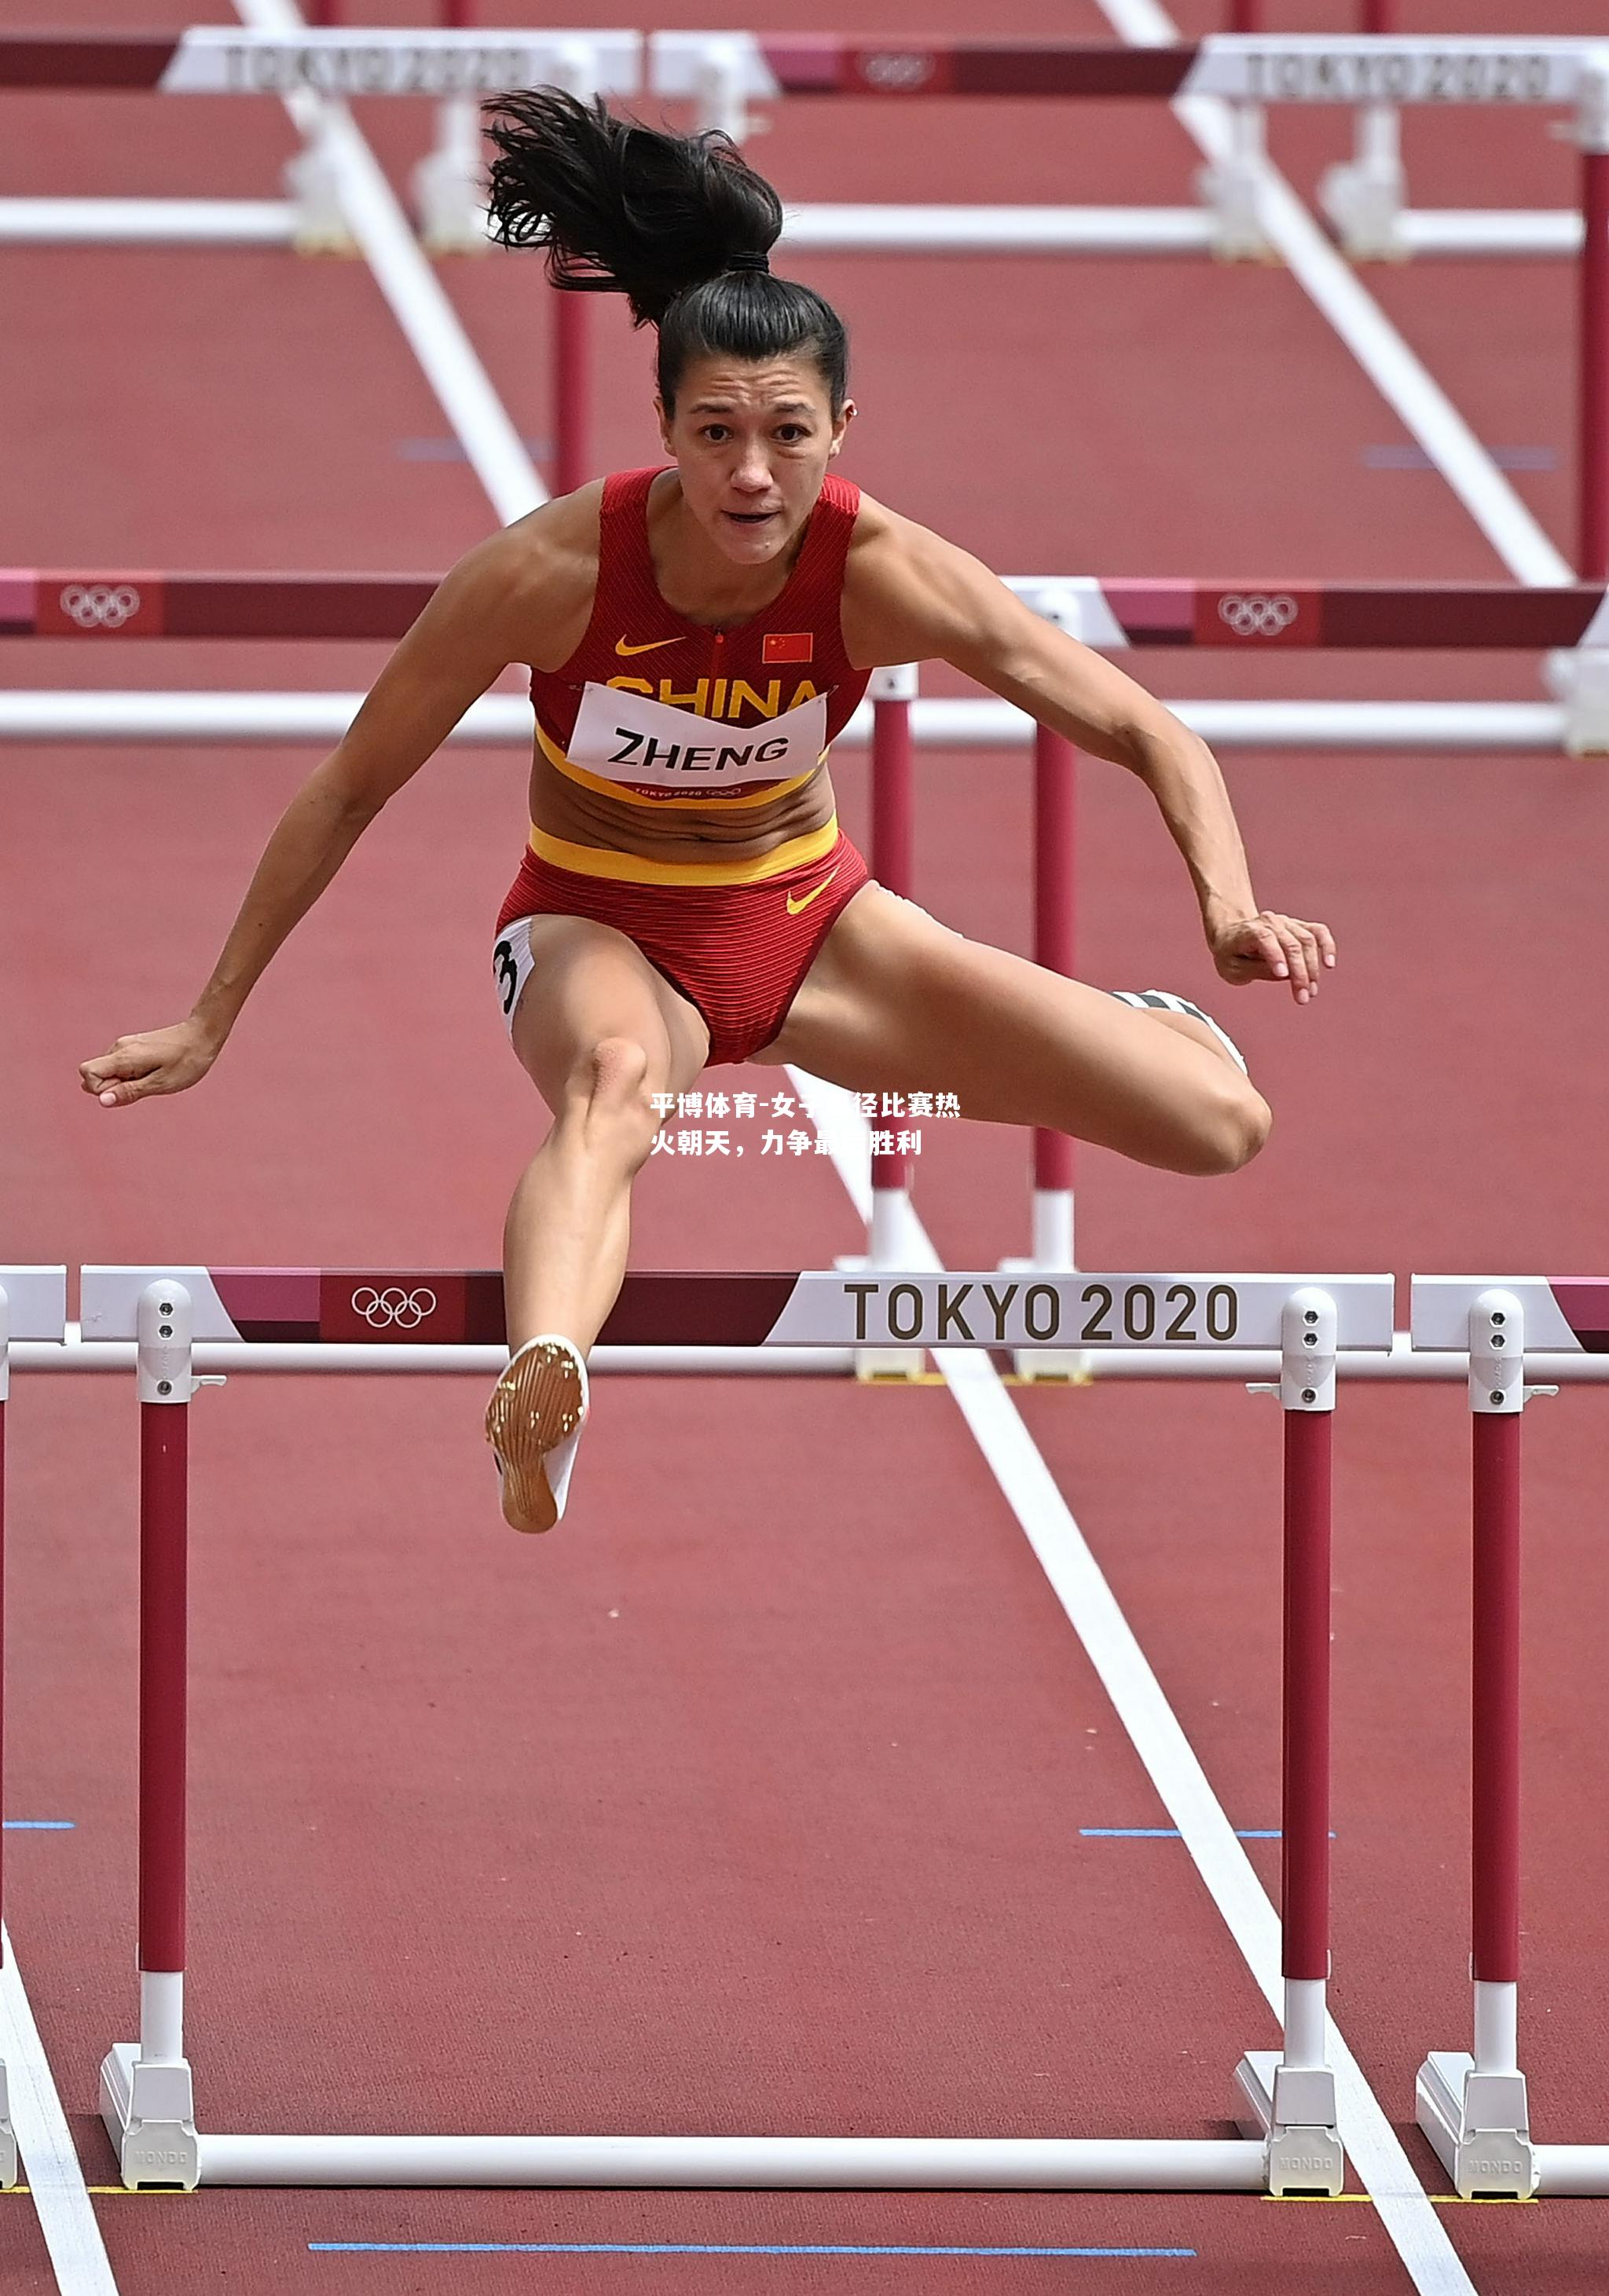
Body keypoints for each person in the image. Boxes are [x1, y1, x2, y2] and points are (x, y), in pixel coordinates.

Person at [80, 90, 1334, 1540]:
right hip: (595, 920)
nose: (752, 472)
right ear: (664, 425)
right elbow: (351, 784)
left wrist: (1229, 907)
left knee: (1217, 1126)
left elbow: (1139, 724)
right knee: (617, 1085)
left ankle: (1155, 1021)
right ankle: (541, 1387)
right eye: (717, 432)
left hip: (811, 921)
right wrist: (211, 1013)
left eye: (788, 435)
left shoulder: (887, 574)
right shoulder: (548, 572)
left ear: (840, 429)